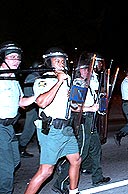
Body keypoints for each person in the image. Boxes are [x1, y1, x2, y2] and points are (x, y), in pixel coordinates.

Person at [24, 47, 81, 194]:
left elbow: (74, 107)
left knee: (76, 160)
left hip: (66, 129)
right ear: (49, 62)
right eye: (57, 61)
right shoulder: (43, 80)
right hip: (51, 130)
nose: (61, 64)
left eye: (63, 61)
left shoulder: (66, 80)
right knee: (46, 171)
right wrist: (58, 83)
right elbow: (42, 103)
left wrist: (73, 98)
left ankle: (74, 191)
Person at [52, 53, 110, 193]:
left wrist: (100, 105)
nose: (87, 71)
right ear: (79, 70)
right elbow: (74, 106)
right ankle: (61, 181)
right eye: (84, 69)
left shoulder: (90, 80)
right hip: (82, 120)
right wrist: (90, 108)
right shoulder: (78, 83)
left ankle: (97, 177)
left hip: (91, 119)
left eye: (88, 69)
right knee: (80, 154)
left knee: (96, 148)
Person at [0, 41, 36, 193]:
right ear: (2, 59)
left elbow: (22, 102)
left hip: (10, 128)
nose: (16, 60)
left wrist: (41, 95)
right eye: (11, 57)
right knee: (7, 168)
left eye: (18, 58)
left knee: (15, 161)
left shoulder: (13, 78)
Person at [18, 63, 43, 158]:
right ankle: (22, 147)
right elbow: (28, 92)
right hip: (32, 106)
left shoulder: (38, 77)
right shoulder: (32, 77)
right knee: (30, 127)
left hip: (37, 105)